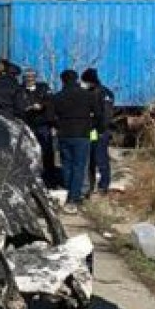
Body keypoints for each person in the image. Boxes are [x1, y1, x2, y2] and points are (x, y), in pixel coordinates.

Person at [51, 69, 98, 213]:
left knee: (66, 164)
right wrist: (93, 127)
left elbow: (51, 116)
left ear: (63, 80)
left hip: (64, 134)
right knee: (79, 165)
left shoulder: (57, 97)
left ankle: (67, 190)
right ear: (77, 79)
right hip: (83, 134)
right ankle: (74, 197)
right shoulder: (88, 96)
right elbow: (98, 113)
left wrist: (59, 126)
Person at [81, 67, 116, 195]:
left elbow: (106, 115)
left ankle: (103, 185)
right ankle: (91, 185)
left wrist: (100, 129)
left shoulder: (103, 93)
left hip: (99, 131)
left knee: (100, 158)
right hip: (92, 130)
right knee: (91, 157)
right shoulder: (93, 92)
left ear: (90, 81)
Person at [22, 68, 58, 187]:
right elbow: (18, 104)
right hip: (28, 124)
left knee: (47, 152)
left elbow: (51, 102)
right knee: (29, 152)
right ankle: (31, 178)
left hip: (43, 124)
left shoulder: (43, 88)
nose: (30, 79)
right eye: (27, 77)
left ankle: (50, 180)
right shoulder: (21, 90)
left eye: (32, 77)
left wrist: (41, 106)